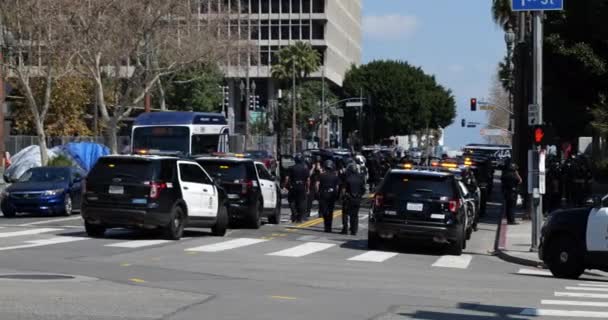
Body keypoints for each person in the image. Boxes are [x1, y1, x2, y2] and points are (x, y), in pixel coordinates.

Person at [284, 154, 310, 223]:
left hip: (293, 187)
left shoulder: (291, 168)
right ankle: (299, 217)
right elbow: (308, 180)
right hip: (302, 186)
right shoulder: (305, 168)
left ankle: (294, 214)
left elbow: (287, 178)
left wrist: (286, 185)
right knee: (301, 202)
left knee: (292, 201)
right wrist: (307, 188)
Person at [341, 163, 365, 235]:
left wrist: (342, 197)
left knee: (345, 214)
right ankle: (354, 230)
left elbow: (343, 189)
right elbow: (363, 189)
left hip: (348, 198)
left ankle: (345, 229)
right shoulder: (360, 178)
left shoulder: (347, 178)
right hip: (357, 199)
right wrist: (359, 195)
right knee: (355, 215)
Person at [317, 160, 340, 233]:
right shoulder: (335, 176)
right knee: (330, 211)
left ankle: (326, 226)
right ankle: (329, 227)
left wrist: (318, 192)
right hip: (332, 195)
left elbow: (317, 184)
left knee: (324, 211)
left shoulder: (321, 175)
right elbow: (337, 187)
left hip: (323, 194)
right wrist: (336, 194)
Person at [501, 159, 522, 225]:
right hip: (513, 193)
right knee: (512, 207)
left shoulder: (505, 174)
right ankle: (512, 220)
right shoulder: (514, 176)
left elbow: (502, 180)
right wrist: (517, 173)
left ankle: (509, 220)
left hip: (506, 192)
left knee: (508, 207)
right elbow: (520, 180)